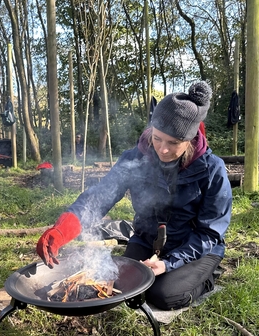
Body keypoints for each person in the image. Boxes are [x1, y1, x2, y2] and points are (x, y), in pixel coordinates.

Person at [36, 81, 232, 310]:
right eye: (157, 138)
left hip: (196, 247)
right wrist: (61, 230)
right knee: (122, 285)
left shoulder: (211, 169)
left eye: (174, 143)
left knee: (164, 296)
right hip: (147, 239)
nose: (163, 149)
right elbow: (99, 198)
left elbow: (209, 232)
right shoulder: (135, 158)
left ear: (189, 139)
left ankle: (207, 278)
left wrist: (168, 264)